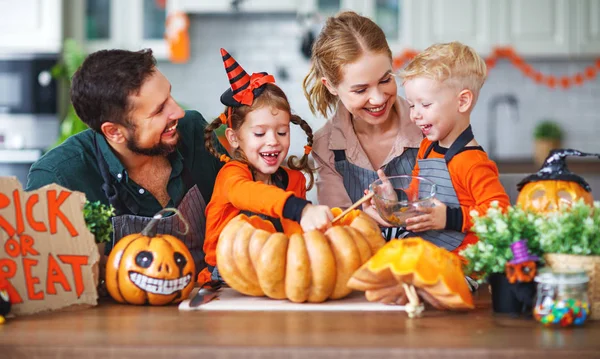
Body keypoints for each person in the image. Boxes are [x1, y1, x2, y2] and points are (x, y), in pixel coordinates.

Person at [26, 49, 223, 275]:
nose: (178, 111)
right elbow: (38, 274)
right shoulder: (58, 177)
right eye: (159, 110)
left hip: (209, 302)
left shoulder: (195, 131)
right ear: (114, 132)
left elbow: (238, 210)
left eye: (169, 95)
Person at [200, 49, 332, 282]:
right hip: (224, 279)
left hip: (275, 273)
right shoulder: (232, 176)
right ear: (234, 138)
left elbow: (294, 238)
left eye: (282, 132)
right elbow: (252, 195)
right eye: (260, 133)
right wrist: (298, 208)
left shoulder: (294, 181)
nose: (273, 141)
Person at [303, 11, 423, 240]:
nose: (378, 98)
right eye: (360, 90)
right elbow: (337, 230)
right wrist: (363, 219)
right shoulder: (326, 145)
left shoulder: (427, 125)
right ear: (331, 86)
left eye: (386, 79)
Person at [397, 41, 510, 253]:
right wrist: (395, 198)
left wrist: (450, 218)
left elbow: (500, 214)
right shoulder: (427, 148)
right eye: (412, 105)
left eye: (426, 104)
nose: (415, 114)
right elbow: (417, 192)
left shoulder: (472, 162)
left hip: (464, 263)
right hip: (430, 251)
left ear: (463, 102)